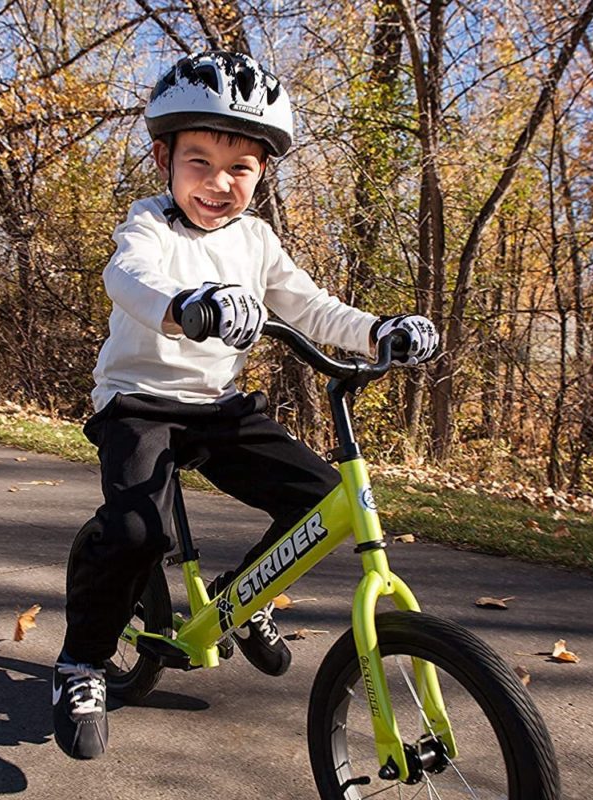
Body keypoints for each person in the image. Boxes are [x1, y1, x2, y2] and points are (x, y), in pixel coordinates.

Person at [52, 50, 439, 760]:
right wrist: (187, 305)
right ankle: (81, 664)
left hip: (219, 406)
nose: (219, 183)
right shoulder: (150, 227)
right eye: (199, 161)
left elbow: (312, 307)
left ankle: (242, 597)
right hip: (138, 404)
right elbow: (128, 279)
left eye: (241, 168)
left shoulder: (257, 241)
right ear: (165, 158)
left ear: (262, 173)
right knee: (139, 534)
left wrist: (380, 330)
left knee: (323, 502)